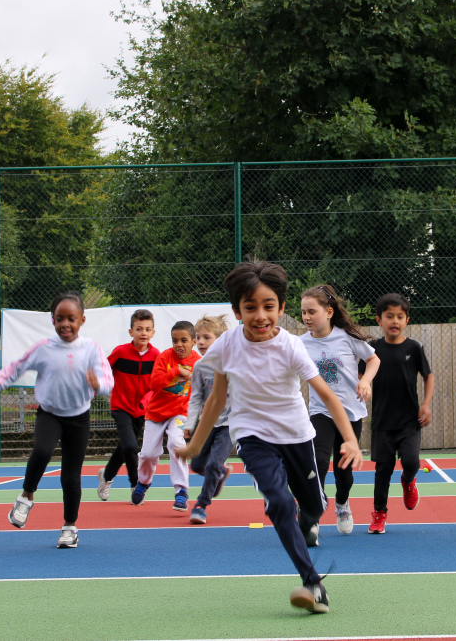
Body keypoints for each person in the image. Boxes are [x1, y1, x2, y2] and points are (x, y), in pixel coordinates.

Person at [176, 261, 362, 614]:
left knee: (314, 505)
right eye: (250, 308)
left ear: (281, 308)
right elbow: (217, 398)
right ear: (237, 311)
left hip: (296, 436)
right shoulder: (226, 346)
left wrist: (350, 439)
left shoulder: (291, 346)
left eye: (268, 307)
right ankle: (313, 583)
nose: (260, 316)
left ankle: (309, 520)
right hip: (253, 436)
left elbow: (326, 393)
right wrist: (196, 444)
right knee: (278, 503)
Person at [0, 291, 113, 549]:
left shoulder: (92, 349)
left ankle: (70, 526)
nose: (65, 324)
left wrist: (99, 384)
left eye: (71, 318)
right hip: (49, 413)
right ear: (53, 321)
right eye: (60, 319)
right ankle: (26, 497)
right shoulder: (43, 349)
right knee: (42, 450)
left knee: (71, 477)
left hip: (79, 418)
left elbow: (109, 381)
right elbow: (14, 368)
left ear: (82, 319)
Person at [299, 284, 379, 534]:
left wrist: (365, 380)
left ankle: (342, 502)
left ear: (330, 312)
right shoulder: (299, 344)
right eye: (303, 312)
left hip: (350, 413)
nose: (306, 317)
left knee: (343, 473)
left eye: (312, 311)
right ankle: (312, 514)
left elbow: (373, 359)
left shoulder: (347, 337)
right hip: (320, 412)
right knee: (319, 462)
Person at [367, 293, 434, 535]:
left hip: (409, 420)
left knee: (411, 461)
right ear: (379, 320)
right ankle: (379, 514)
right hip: (382, 421)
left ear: (407, 320)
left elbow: (428, 376)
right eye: (389, 316)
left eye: (400, 316)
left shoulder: (414, 347)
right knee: (382, 471)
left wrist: (425, 404)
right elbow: (360, 376)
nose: (394, 321)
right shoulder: (372, 349)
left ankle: (408, 480)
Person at [132, 320, 200, 510]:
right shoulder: (164, 358)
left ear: (193, 342)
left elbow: (202, 391)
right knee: (148, 454)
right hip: (156, 413)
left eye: (184, 340)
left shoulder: (198, 363)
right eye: (175, 340)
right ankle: (143, 482)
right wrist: (175, 372)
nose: (179, 344)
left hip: (179, 414)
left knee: (176, 444)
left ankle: (181, 491)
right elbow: (154, 384)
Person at [96, 309, 159, 501]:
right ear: (131, 332)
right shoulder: (121, 352)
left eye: (147, 329)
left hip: (142, 410)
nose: (143, 333)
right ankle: (135, 484)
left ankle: (106, 476)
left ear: (153, 333)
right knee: (131, 446)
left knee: (124, 447)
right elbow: (104, 369)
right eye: (139, 329)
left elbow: (158, 384)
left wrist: (146, 401)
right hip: (120, 407)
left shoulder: (156, 355)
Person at [182, 313, 234, 525]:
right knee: (197, 465)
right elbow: (195, 398)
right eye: (198, 337)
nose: (200, 342)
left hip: (230, 424)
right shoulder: (200, 367)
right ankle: (220, 473)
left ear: (220, 339)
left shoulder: (232, 363)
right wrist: (189, 424)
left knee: (213, 463)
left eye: (206, 337)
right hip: (208, 423)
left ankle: (201, 505)